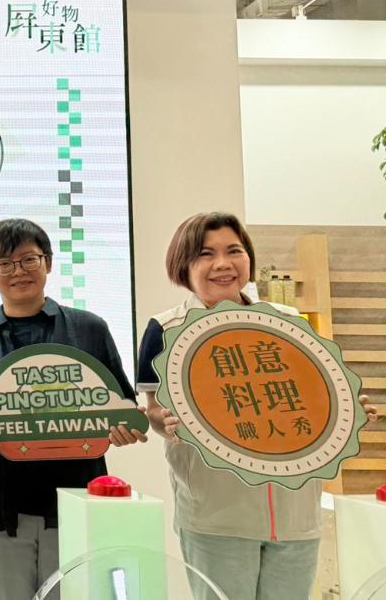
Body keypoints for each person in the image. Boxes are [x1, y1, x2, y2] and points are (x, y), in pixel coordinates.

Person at [137, 211, 378, 600]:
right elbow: (152, 409)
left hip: (296, 513)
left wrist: (347, 410)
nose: (223, 264)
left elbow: (313, 395)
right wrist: (164, 422)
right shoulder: (165, 329)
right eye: (205, 254)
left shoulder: (289, 321)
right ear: (183, 265)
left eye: (234, 251)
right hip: (217, 516)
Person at [0, 218, 145, 600]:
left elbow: (122, 402)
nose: (18, 271)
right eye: (5, 264)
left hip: (76, 502)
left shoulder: (90, 329)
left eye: (29, 259)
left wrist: (125, 428)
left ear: (48, 263)